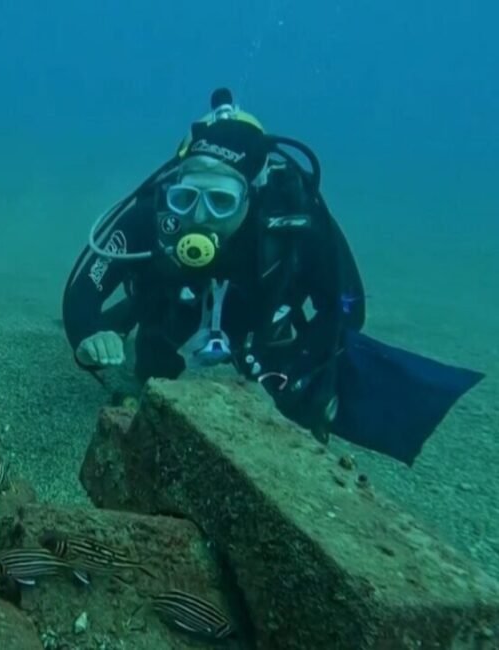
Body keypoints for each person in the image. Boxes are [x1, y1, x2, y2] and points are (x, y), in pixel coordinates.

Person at [61, 88, 484, 465]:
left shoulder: (295, 219)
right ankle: (147, 325)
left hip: (261, 315)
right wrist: (88, 335)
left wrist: (302, 369)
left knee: (295, 398)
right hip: (174, 300)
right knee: (152, 369)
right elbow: (83, 291)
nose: (200, 216)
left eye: (221, 201)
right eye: (186, 197)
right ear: (173, 187)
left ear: (253, 192)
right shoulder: (153, 215)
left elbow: (347, 305)